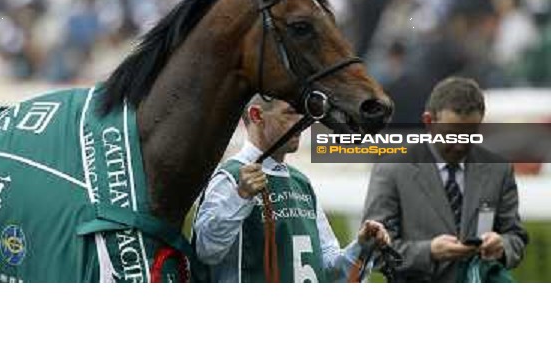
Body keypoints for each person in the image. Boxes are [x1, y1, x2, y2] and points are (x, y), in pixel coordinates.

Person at [193, 96, 390, 283]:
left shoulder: (300, 181)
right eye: (290, 113)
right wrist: (240, 196)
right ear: (257, 116)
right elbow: (206, 250)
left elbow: (327, 270)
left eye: (302, 114)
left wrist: (362, 248)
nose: (301, 122)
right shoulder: (229, 177)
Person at [362, 76, 529, 282]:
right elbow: (373, 250)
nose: (460, 144)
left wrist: (502, 246)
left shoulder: (498, 169)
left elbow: (516, 237)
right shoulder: (392, 169)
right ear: (428, 122)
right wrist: (429, 252)